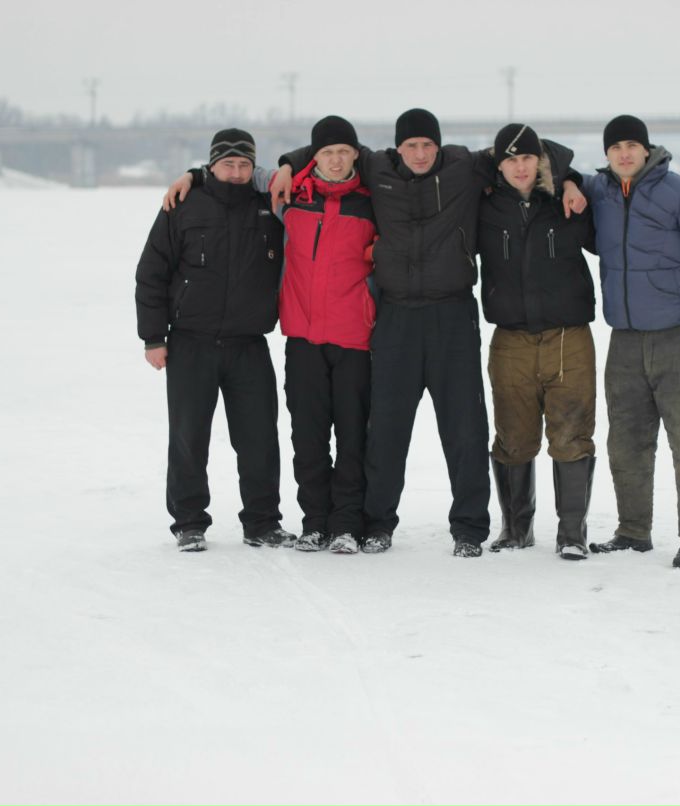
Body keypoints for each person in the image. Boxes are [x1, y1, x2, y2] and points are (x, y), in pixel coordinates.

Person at [270, 109, 587, 558]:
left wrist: (569, 177)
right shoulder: (375, 167)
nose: (419, 153)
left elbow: (527, 150)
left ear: (439, 146)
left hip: (452, 314)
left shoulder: (464, 167)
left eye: (427, 145)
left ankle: (469, 529)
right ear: (398, 148)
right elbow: (330, 146)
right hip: (396, 317)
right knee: (386, 427)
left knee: (464, 426)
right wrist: (287, 162)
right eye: (411, 146)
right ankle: (378, 524)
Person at [135, 128, 296, 552]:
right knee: (189, 437)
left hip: (248, 343)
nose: (238, 172)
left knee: (260, 438)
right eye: (229, 164)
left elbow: (311, 164)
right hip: (191, 342)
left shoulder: (270, 204)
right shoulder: (184, 203)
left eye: (245, 165)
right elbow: (152, 272)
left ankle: (262, 522)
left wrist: (282, 169)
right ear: (212, 164)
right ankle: (189, 522)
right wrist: (153, 337)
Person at [580, 115, 680, 568]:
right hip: (624, 338)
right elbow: (550, 158)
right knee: (626, 442)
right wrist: (569, 182)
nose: (624, 154)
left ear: (647, 149)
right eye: (615, 147)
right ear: (606, 154)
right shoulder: (598, 194)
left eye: (631, 145)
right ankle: (632, 531)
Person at [477, 123, 599, 560]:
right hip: (510, 338)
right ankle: (516, 528)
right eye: (510, 159)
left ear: (541, 160)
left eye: (528, 157)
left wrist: (571, 180)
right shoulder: (484, 206)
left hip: (569, 338)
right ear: (499, 164)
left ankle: (572, 533)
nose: (520, 167)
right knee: (513, 436)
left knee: (572, 434)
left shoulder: (567, 201)